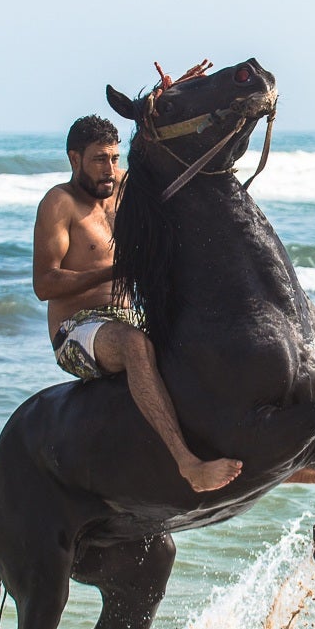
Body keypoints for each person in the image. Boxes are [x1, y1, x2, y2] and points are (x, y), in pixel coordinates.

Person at [33, 115, 244, 492]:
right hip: (77, 331)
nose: (109, 169)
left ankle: (264, 455)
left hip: (131, 316)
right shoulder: (59, 203)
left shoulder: (124, 190)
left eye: (115, 158)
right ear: (74, 159)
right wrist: (113, 273)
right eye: (99, 159)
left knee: (201, 337)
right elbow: (45, 283)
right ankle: (187, 464)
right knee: (135, 345)